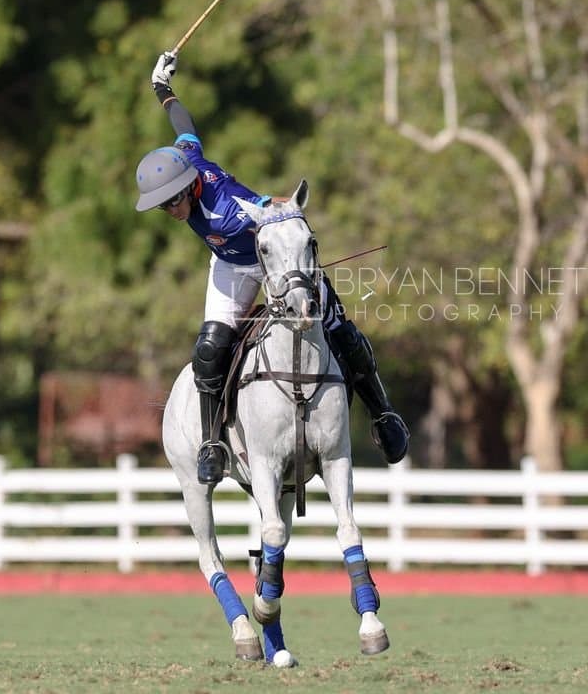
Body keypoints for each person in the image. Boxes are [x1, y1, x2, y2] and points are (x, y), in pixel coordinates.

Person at [134, 51, 409, 484]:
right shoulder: (187, 159)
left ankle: (383, 415)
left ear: (188, 187)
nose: (169, 210)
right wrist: (162, 88)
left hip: (274, 260)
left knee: (342, 332)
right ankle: (212, 442)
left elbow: (274, 208)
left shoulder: (229, 207)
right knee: (209, 350)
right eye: (162, 205)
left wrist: (292, 245)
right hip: (230, 266)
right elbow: (184, 127)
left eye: (171, 201)